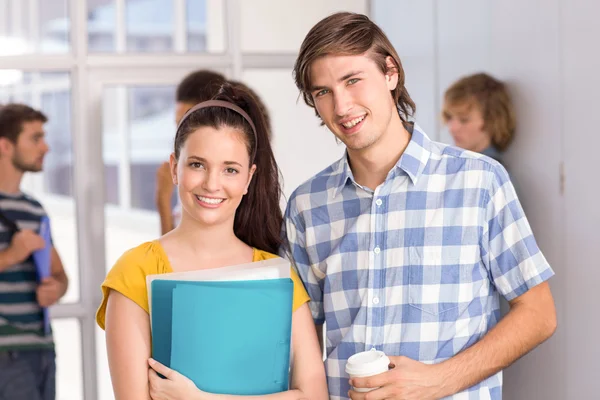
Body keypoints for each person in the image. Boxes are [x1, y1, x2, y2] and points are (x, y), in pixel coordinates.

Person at [283, 12, 556, 400]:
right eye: (322, 91)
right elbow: (298, 342)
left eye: (353, 80)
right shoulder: (306, 206)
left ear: (390, 72)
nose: (341, 106)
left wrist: (440, 380)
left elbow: (539, 314)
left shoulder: (479, 181)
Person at [97, 83, 328, 400]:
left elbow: (314, 396)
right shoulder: (135, 271)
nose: (212, 184)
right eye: (197, 164)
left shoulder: (277, 274)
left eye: (230, 170)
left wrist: (198, 398)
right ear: (175, 168)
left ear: (248, 178)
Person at [0, 104, 69, 400]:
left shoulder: (34, 208)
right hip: (6, 351)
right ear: (5, 145)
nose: (46, 146)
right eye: (35, 138)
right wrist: (10, 256)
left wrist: (56, 288)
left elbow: (59, 274)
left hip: (41, 348)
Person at [156, 70, 274, 235]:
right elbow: (172, 253)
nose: (183, 131)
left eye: (230, 170)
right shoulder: (189, 185)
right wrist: (163, 200)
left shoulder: (235, 203)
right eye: (179, 124)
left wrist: (163, 199)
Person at [442, 73, 516, 164]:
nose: (452, 128)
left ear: (491, 121)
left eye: (464, 120)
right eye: (449, 117)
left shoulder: (490, 174)